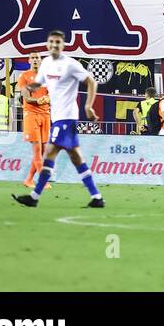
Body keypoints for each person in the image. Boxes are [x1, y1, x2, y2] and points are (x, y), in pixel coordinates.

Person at [11, 31, 104, 209]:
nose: (54, 45)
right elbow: (38, 83)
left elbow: (91, 81)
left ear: (63, 45)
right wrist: (25, 88)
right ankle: (97, 197)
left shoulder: (70, 64)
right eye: (51, 42)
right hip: (58, 118)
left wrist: (88, 106)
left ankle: (34, 196)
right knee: (76, 158)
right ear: (47, 44)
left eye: (58, 42)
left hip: (67, 118)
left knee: (49, 153)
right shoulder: (46, 63)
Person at [17, 53, 51, 188]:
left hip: (46, 115)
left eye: (37, 57)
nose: (35, 60)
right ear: (29, 60)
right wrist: (39, 100)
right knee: (37, 149)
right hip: (31, 114)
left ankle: (29, 180)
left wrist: (49, 98)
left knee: (42, 151)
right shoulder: (24, 76)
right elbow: (26, 97)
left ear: (41, 60)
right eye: (33, 57)